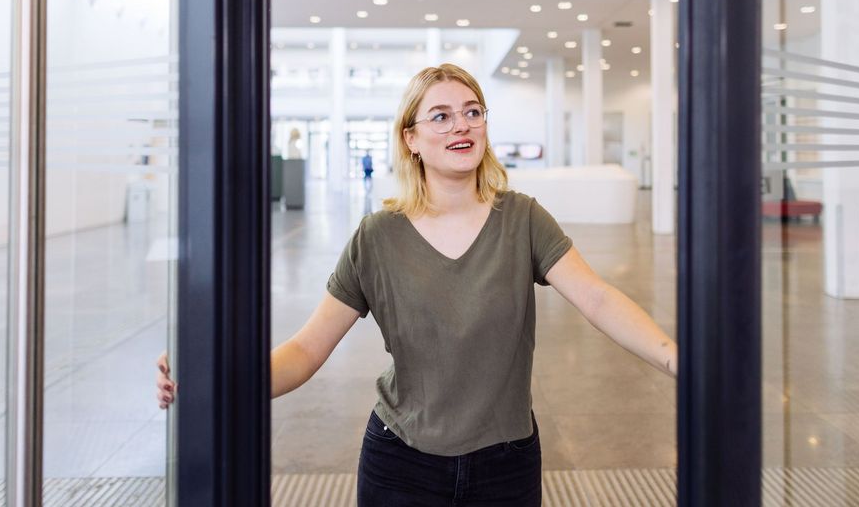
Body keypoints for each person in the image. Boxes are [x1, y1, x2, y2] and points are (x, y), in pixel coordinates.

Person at [156, 64, 678, 506]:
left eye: (473, 111)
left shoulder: (522, 219)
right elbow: (306, 350)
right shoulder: (377, 237)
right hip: (399, 466)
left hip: (507, 465)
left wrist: (676, 359)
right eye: (442, 115)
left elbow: (598, 298)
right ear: (411, 139)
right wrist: (208, 381)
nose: (462, 125)